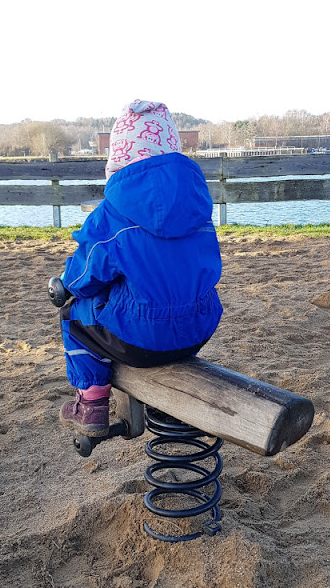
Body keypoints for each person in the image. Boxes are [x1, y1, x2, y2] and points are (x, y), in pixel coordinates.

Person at [58, 100, 223, 437]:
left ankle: (90, 402)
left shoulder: (112, 213)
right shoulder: (198, 208)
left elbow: (83, 276)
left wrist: (64, 284)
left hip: (142, 338)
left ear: (118, 158)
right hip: (198, 331)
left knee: (73, 316)